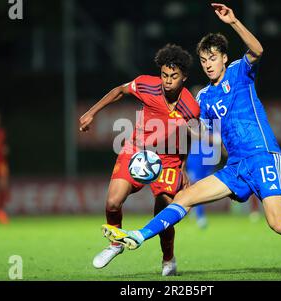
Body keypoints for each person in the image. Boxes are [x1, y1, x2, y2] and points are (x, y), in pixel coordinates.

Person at [102, 3, 281, 274]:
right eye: (203, 61)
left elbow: (258, 50)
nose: (208, 65)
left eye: (212, 58)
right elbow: (200, 129)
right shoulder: (203, 97)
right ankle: (139, 235)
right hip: (236, 167)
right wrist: (185, 135)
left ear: (224, 58)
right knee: (184, 197)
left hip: (262, 155)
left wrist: (234, 21)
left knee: (279, 225)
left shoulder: (241, 72)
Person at [79, 44, 199, 276]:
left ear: (184, 77)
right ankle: (115, 244)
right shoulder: (147, 84)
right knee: (113, 202)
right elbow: (120, 90)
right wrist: (92, 112)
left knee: (163, 212)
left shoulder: (191, 107)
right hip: (137, 151)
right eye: (164, 75)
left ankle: (168, 259)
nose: (167, 81)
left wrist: (183, 166)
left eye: (174, 76)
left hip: (168, 158)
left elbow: (188, 134)